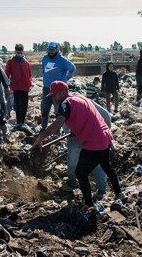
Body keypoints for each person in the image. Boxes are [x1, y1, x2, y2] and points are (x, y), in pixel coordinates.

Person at [32, 81, 123, 210]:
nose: (53, 98)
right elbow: (86, 116)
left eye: (54, 95)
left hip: (93, 142)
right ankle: (119, 194)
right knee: (107, 166)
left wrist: (39, 138)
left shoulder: (64, 104)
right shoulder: (80, 98)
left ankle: (89, 204)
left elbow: (57, 125)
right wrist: (75, 132)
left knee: (80, 173)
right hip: (105, 136)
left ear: (63, 92)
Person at [61, 100, 111, 197]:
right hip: (95, 136)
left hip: (80, 136)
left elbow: (65, 126)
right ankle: (102, 190)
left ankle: (72, 181)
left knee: (73, 158)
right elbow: (106, 116)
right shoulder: (88, 102)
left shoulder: (66, 105)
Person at [40, 42, 76, 130]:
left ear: (57, 49)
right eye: (49, 49)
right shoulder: (45, 58)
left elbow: (73, 68)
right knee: (44, 108)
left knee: (58, 110)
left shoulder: (62, 60)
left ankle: (58, 130)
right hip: (46, 88)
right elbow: (44, 69)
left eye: (52, 50)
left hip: (58, 91)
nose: (50, 51)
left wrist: (65, 78)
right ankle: (43, 127)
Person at [5, 44, 32, 132]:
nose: (19, 54)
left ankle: (22, 121)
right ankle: (18, 122)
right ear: (15, 52)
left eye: (21, 53)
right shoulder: (11, 62)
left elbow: (29, 75)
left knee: (24, 104)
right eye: (17, 52)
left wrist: (29, 84)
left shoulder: (26, 63)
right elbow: (6, 74)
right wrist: (8, 86)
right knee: (17, 104)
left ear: (23, 52)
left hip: (25, 87)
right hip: (16, 87)